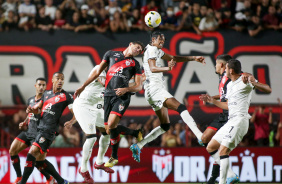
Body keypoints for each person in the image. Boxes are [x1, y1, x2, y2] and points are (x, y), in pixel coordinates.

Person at [129, 31, 205, 163]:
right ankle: (200, 135)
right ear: (153, 40)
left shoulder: (156, 51)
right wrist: (167, 69)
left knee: (165, 126)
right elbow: (153, 68)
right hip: (155, 89)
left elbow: (173, 58)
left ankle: (139, 145)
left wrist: (193, 58)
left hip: (152, 91)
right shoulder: (152, 49)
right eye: (160, 39)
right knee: (181, 107)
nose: (162, 42)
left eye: (163, 40)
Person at [198, 55, 272, 184]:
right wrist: (212, 100)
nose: (224, 70)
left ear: (230, 70)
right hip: (231, 121)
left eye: (226, 68)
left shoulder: (245, 81)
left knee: (223, 150)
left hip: (239, 121)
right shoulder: (231, 85)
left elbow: (268, 89)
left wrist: (254, 83)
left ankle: (223, 181)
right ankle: (230, 176)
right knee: (210, 147)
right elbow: (227, 105)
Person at [74, 41, 145, 168]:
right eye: (137, 47)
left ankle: (114, 157)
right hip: (107, 96)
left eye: (140, 50)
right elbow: (97, 73)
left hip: (122, 97)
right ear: (130, 44)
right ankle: (135, 133)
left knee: (112, 125)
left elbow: (138, 86)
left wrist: (126, 89)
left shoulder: (135, 64)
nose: (138, 50)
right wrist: (82, 86)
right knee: (108, 129)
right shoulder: (110, 54)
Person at [20, 72, 76, 184]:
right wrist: (31, 110)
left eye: (62, 79)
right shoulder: (46, 94)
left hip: (49, 129)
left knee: (32, 153)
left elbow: (76, 113)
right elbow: (37, 108)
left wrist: (71, 122)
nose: (60, 81)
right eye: (58, 78)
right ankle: (61, 181)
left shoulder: (66, 96)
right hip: (40, 128)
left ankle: (22, 182)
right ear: (52, 80)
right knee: (39, 161)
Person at [73, 65, 115, 183]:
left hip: (96, 107)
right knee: (91, 138)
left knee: (108, 131)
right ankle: (83, 169)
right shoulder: (100, 68)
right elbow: (102, 82)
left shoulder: (116, 74)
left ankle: (99, 162)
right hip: (83, 105)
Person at [9, 78, 54, 184]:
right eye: (39, 85)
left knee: (38, 162)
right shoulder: (30, 99)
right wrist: (25, 122)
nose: (42, 87)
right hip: (29, 131)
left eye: (43, 85)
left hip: (39, 134)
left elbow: (38, 112)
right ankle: (19, 177)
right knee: (12, 151)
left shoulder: (47, 100)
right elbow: (30, 114)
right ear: (35, 86)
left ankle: (49, 178)